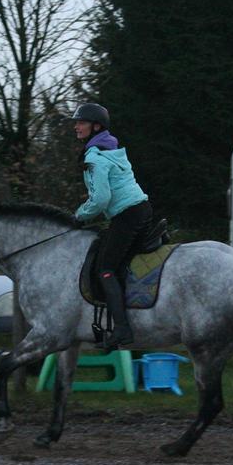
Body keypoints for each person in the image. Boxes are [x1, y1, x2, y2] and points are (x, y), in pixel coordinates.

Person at [70, 102, 153, 349]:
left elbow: (101, 199)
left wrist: (78, 217)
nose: (76, 127)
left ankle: (122, 330)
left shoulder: (95, 156)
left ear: (96, 126)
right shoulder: (110, 149)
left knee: (105, 268)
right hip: (140, 210)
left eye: (81, 122)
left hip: (127, 215)